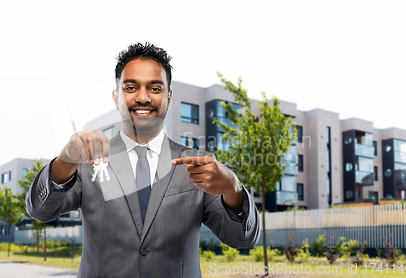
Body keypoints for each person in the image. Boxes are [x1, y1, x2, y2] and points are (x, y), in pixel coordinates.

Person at [26, 42, 260, 278]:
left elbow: (242, 238)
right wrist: (65, 160)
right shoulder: (87, 160)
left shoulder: (198, 165)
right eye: (130, 87)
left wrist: (233, 189)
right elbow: (40, 210)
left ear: (169, 96)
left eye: (155, 88)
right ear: (116, 96)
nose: (143, 97)